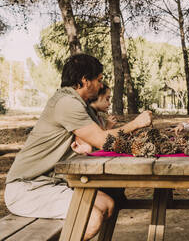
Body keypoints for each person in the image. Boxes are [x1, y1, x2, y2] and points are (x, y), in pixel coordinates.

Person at [4, 54, 152, 240]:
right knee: (92, 218)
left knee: (107, 204)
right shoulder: (67, 103)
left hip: (50, 184)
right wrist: (135, 124)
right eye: (98, 80)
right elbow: (103, 140)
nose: (100, 85)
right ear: (85, 80)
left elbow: (94, 143)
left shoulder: (80, 105)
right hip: (27, 188)